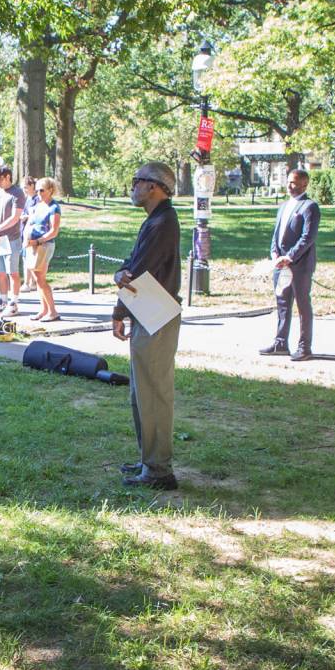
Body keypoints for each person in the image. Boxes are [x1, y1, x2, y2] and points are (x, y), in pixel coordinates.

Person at [113, 161, 182, 490]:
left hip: (156, 313)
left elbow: (135, 274)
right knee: (141, 392)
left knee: (152, 393)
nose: (132, 187)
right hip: (148, 311)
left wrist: (117, 312)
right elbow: (129, 264)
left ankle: (158, 470)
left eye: (136, 181)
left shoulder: (163, 222)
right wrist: (120, 276)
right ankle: (148, 461)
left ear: (154, 187)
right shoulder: (156, 220)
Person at [260, 168, 319, 360]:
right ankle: (280, 342)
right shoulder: (284, 206)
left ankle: (304, 346)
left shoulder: (309, 206)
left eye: (294, 182)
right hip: (280, 264)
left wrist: (290, 256)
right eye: (289, 182)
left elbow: (307, 237)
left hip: (299, 265)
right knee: (282, 303)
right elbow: (276, 234)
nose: (290, 186)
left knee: (302, 304)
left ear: (304, 184)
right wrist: (274, 253)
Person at [0, 166, 26, 316]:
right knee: (0, 272)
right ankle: (2, 301)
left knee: (12, 272)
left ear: (8, 177)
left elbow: (15, 217)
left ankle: (13, 303)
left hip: (11, 239)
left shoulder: (17, 193)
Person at [26, 177, 64, 322]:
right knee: (36, 278)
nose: (39, 193)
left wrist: (38, 241)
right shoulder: (38, 205)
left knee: (41, 278)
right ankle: (44, 309)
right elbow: (31, 223)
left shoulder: (54, 207)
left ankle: (53, 311)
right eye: (37, 190)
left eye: (42, 190)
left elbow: (54, 231)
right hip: (33, 244)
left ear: (50, 190)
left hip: (45, 245)